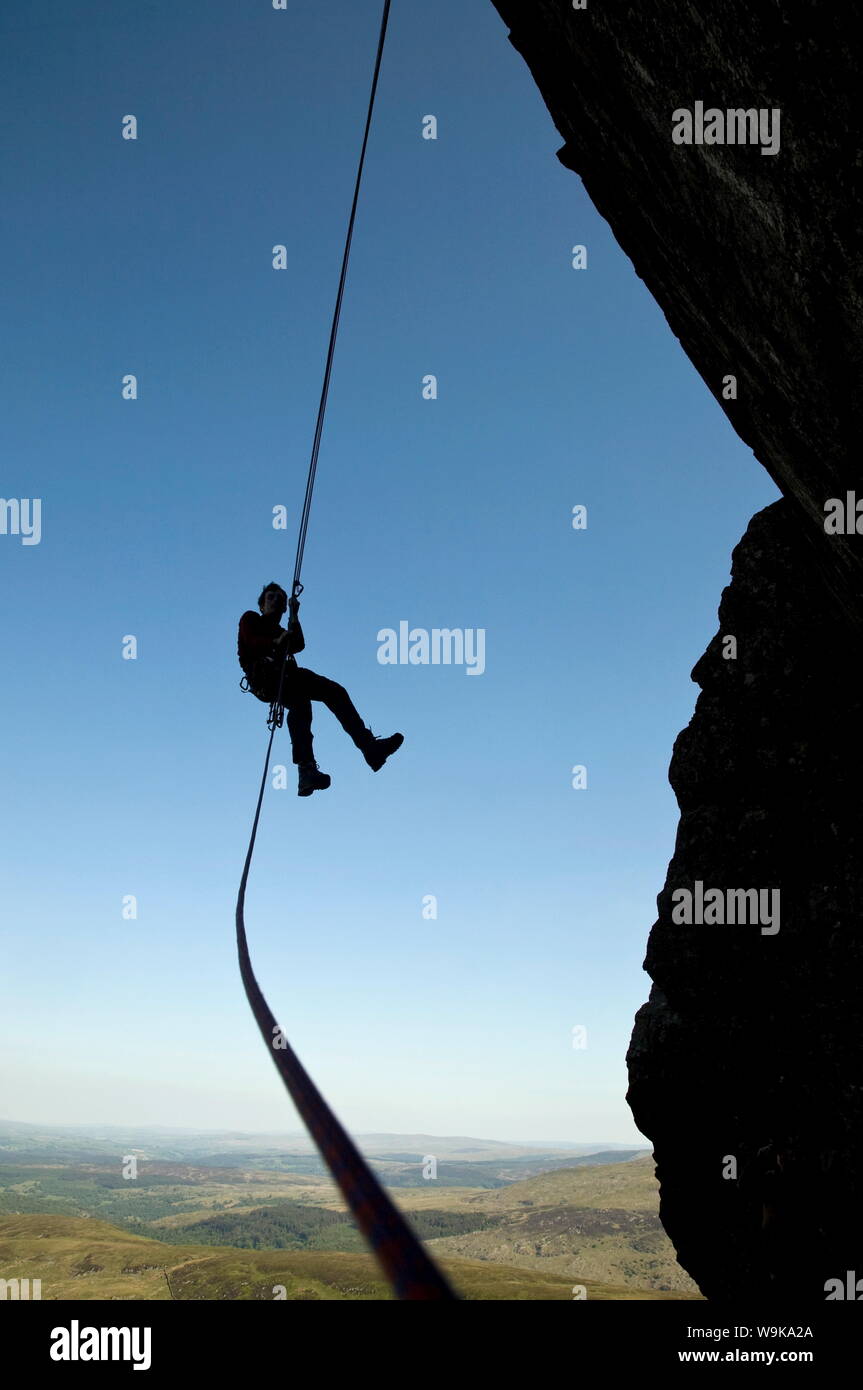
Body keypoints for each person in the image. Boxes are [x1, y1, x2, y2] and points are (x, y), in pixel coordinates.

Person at [238, 582, 403, 796]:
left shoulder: (281, 630)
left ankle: (366, 751)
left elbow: (298, 643)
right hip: (264, 676)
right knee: (301, 702)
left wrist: (295, 615)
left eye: (279, 598)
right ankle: (312, 768)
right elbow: (251, 640)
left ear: (284, 608)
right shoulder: (251, 618)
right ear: (261, 605)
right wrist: (276, 641)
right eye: (271, 597)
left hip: (286, 675)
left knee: (328, 694)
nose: (275, 600)